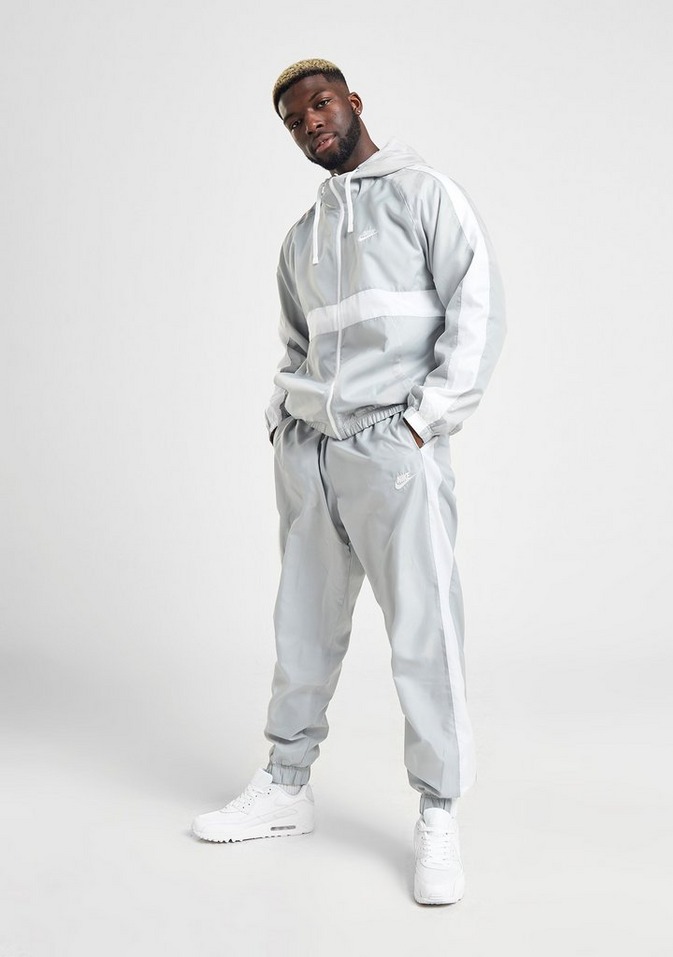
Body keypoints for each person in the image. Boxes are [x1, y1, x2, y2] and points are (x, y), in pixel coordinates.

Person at [192, 58, 506, 905]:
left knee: (424, 633)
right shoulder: (302, 237)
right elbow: (296, 346)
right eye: (295, 121)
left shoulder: (427, 196)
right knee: (301, 628)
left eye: (320, 105)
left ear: (353, 102)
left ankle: (438, 810)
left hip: (393, 454)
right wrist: (282, 425)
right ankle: (286, 785)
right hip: (311, 457)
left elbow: (478, 313)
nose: (311, 124)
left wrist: (420, 425)